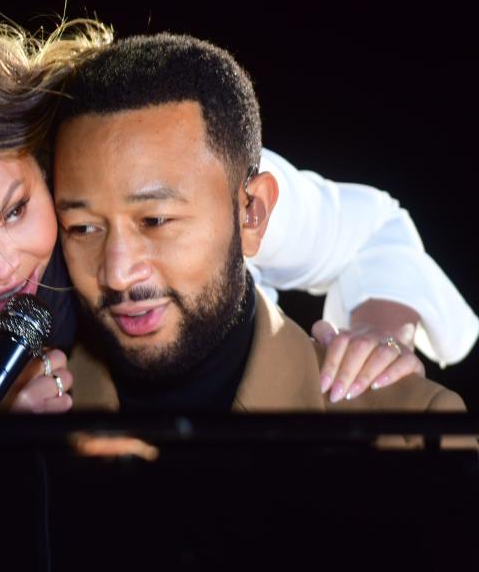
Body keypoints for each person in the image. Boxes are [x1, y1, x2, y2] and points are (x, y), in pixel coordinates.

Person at [0, 20, 476, 414]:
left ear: (45, 156)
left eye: (18, 211)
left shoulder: (140, 170)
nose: (4, 269)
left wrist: (382, 332)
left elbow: (372, 228)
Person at [51, 31, 470, 417]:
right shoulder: (36, 230)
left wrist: (379, 343)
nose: (118, 273)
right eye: (82, 228)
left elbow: (375, 229)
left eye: (156, 220)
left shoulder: (218, 178)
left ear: (252, 212)